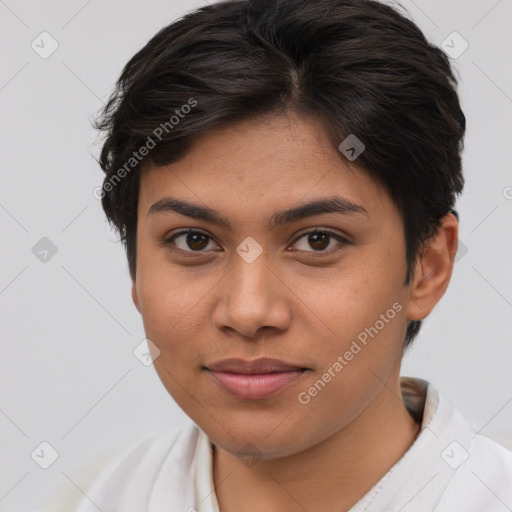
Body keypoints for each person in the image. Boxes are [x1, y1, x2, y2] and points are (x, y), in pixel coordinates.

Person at [49, 0, 512, 510]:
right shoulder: (93, 497)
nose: (248, 312)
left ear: (428, 267)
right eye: (194, 240)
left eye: (318, 240)